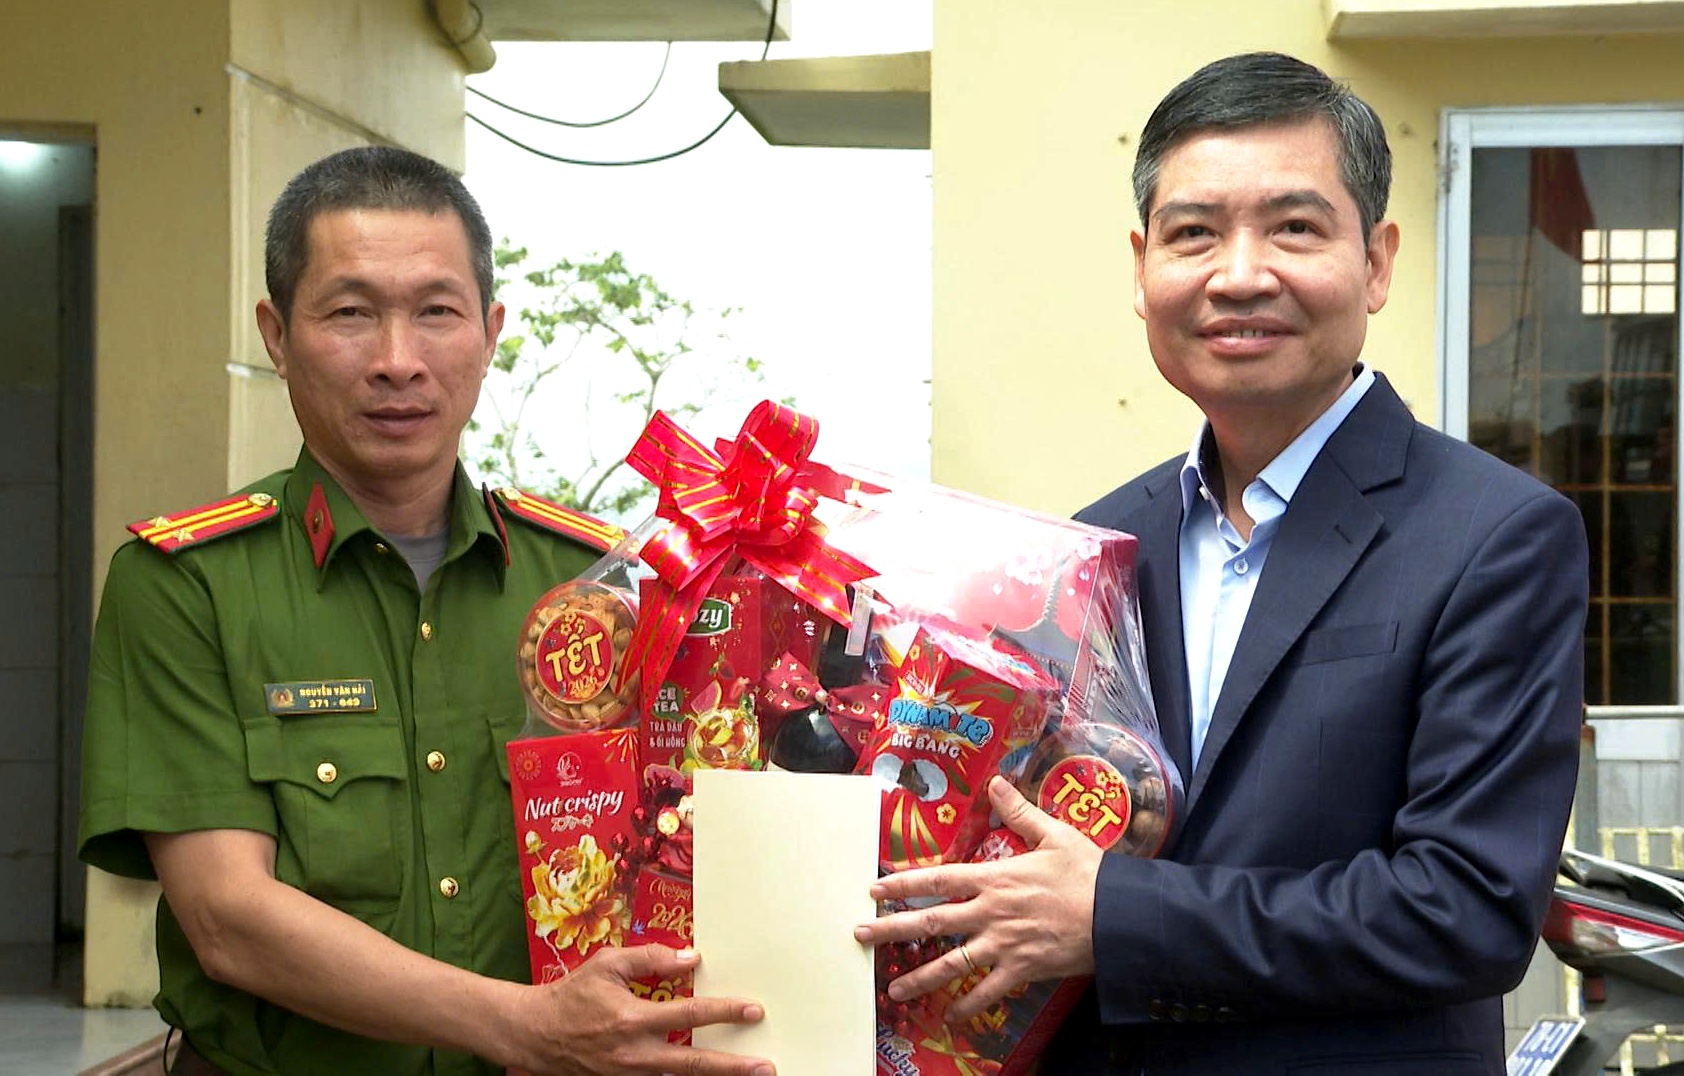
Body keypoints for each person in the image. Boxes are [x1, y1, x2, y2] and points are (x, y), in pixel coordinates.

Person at [857, 52, 1588, 1074]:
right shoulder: (1090, 548)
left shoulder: (1494, 535)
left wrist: (1113, 917)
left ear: (1376, 262)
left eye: (1294, 228)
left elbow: (1465, 907)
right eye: (1194, 233)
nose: (1239, 275)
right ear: (1142, 267)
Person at [78, 146, 772, 1076]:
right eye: (350, 313)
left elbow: (691, 840)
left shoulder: (597, 587)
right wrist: (524, 1024)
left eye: (437, 312)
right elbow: (228, 919)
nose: (397, 362)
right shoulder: (188, 584)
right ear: (277, 336)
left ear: (489, 332)